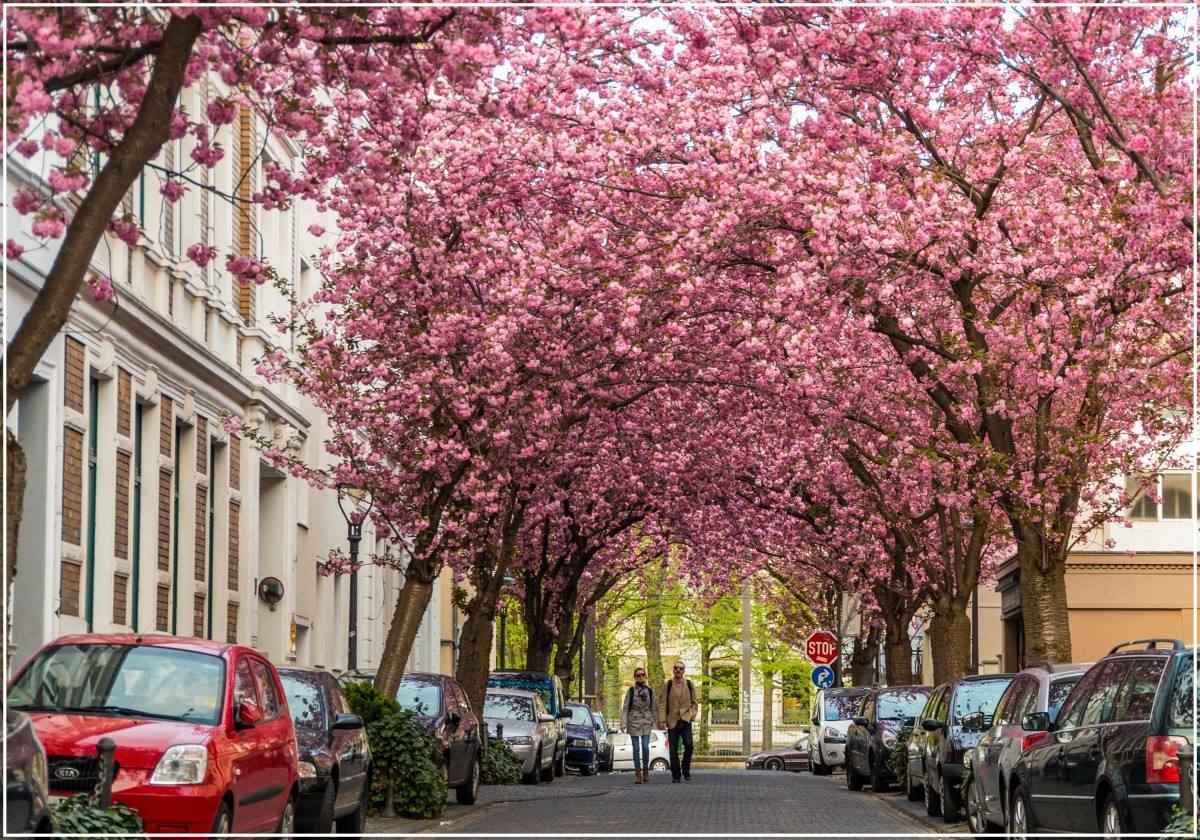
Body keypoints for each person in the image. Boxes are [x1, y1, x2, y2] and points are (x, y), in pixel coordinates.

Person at [657, 661, 698, 782]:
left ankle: (685, 770)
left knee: (689, 746)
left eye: (681, 668)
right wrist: (661, 720)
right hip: (672, 720)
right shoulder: (668, 684)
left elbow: (695, 703)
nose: (678, 670)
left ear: (684, 670)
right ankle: (676, 775)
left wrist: (692, 715)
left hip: (685, 720)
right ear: (673, 670)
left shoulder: (690, 684)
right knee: (673, 750)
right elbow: (663, 703)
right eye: (676, 668)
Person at [620, 666, 656, 784]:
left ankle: (646, 770)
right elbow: (625, 707)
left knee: (645, 747)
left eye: (642, 675)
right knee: (636, 749)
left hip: (646, 721)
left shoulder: (650, 690)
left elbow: (653, 708)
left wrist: (658, 721)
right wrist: (623, 723)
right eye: (638, 675)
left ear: (645, 676)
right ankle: (637, 773)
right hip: (634, 721)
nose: (641, 677)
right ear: (635, 677)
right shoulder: (631, 690)